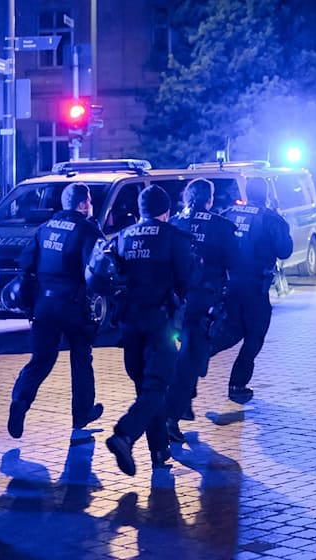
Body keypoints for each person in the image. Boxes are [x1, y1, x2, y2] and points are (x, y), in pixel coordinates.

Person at [104, 186, 191, 476]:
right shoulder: (173, 237)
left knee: (146, 387)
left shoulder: (122, 237)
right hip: (159, 322)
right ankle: (124, 434)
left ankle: (159, 450)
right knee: (157, 386)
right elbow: (187, 282)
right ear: (166, 212)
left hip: (129, 323)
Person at [7, 183, 104, 439]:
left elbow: (26, 264)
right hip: (73, 306)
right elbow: (95, 269)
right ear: (83, 204)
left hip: (43, 305)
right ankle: (82, 413)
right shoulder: (86, 229)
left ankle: (20, 401)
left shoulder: (45, 228)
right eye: (89, 201)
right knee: (81, 356)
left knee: (41, 359)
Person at [165, 179, 238, 443]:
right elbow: (235, 263)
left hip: (173, 302)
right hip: (202, 303)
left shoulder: (173, 223)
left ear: (187, 198)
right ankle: (171, 417)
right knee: (189, 359)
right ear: (209, 199)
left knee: (187, 355)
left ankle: (184, 403)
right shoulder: (221, 226)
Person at [212, 177, 293, 401]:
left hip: (229, 284)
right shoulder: (270, 218)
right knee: (255, 334)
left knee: (232, 330)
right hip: (255, 287)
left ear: (246, 193)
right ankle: (237, 384)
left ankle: (197, 358)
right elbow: (285, 250)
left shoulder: (229, 213)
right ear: (266, 194)